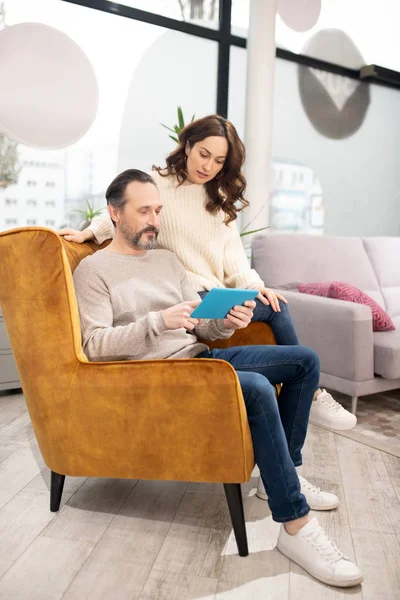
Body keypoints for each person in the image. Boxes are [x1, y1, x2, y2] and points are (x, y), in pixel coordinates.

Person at [72, 169, 363, 588]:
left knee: (304, 361)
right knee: (258, 387)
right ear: (114, 214)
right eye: (143, 211)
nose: (154, 219)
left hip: (197, 356)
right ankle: (296, 525)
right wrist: (157, 322)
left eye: (157, 210)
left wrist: (226, 322)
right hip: (160, 375)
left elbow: (199, 329)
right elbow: (95, 345)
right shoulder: (95, 271)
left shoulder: (166, 260)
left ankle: (283, 473)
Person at [58, 115, 356, 499]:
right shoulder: (109, 250)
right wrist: (89, 233)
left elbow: (230, 265)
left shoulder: (189, 232)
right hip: (180, 331)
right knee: (259, 383)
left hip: (200, 322)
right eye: (204, 154)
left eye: (219, 161)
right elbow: (127, 208)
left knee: (301, 353)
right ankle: (288, 494)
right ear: (187, 146)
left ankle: (291, 459)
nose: (208, 166)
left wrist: (238, 310)